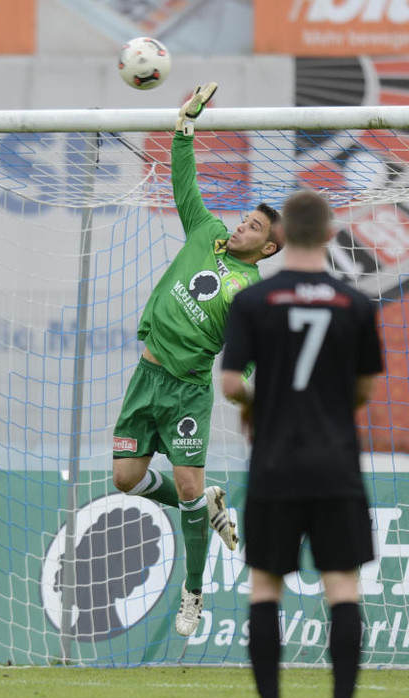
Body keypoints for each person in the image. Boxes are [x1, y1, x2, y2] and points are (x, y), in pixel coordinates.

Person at [112, 83, 283, 637]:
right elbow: (183, 181)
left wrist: (248, 382)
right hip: (146, 376)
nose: (241, 226)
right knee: (126, 479)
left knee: (186, 487)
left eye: (254, 227)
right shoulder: (206, 232)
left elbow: (247, 355)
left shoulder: (249, 291)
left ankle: (193, 594)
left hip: (186, 391)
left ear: (268, 249)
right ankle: (208, 505)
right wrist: (184, 125)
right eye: (245, 219)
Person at [221, 189, 383, 698]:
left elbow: (230, 384)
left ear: (282, 234)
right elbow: (365, 389)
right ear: (331, 235)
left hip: (274, 464)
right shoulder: (355, 304)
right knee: (343, 587)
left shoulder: (253, 301)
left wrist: (259, 404)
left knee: (266, 587)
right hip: (336, 464)